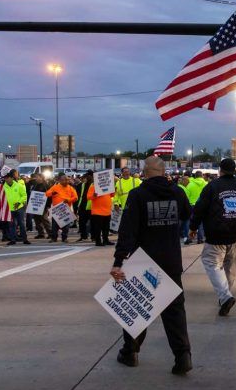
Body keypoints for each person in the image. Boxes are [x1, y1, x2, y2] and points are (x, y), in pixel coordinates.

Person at [110, 156, 193, 375]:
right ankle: (183, 356)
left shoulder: (138, 195)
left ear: (145, 172)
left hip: (143, 260)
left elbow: (127, 231)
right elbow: (186, 215)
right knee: (175, 312)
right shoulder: (177, 192)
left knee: (137, 309)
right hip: (171, 259)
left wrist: (119, 261)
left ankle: (130, 352)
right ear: (163, 171)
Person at [190, 158, 236, 316]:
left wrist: (193, 227)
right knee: (229, 265)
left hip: (216, 233)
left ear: (220, 170)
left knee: (211, 262)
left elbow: (200, 208)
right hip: (235, 232)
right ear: (235, 170)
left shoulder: (212, 186)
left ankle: (225, 297)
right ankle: (225, 296)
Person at [45, 173, 78, 243]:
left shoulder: (70, 188)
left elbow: (75, 197)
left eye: (66, 180)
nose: (65, 181)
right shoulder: (55, 187)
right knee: (55, 225)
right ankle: (54, 238)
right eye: (63, 180)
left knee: (66, 226)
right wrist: (52, 193)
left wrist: (68, 200)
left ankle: (64, 238)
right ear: (60, 180)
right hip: (57, 210)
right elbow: (47, 193)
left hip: (66, 210)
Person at [4, 171, 30, 245]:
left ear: (12, 178)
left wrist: (19, 203)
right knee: (12, 225)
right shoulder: (3, 187)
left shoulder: (19, 185)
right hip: (9, 209)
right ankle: (13, 239)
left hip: (19, 208)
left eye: (8, 178)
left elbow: (24, 196)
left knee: (22, 223)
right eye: (5, 178)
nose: (7, 180)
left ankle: (25, 239)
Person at [87, 179, 115, 246]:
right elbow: (88, 197)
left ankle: (106, 240)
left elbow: (112, 195)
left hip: (107, 211)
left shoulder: (107, 186)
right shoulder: (93, 187)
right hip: (97, 212)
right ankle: (98, 241)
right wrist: (94, 195)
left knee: (106, 227)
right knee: (98, 228)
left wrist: (113, 190)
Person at [184, 171, 207, 244]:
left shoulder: (190, 184)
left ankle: (189, 238)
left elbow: (186, 196)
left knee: (191, 222)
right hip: (204, 205)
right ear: (202, 176)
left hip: (192, 205)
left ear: (195, 176)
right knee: (202, 223)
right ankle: (200, 238)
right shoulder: (207, 184)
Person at [29, 174, 51, 239]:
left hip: (43, 206)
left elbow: (49, 196)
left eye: (37, 177)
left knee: (44, 220)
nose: (36, 178)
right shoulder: (35, 185)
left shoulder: (46, 185)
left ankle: (50, 233)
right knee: (37, 220)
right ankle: (41, 233)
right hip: (35, 205)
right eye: (36, 177)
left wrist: (48, 205)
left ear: (41, 178)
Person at [75, 171, 94, 242]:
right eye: (86, 176)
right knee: (81, 222)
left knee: (93, 223)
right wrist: (78, 206)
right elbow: (81, 196)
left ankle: (93, 236)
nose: (87, 178)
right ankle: (83, 236)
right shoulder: (83, 185)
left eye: (88, 176)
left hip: (91, 206)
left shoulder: (95, 185)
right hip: (83, 205)